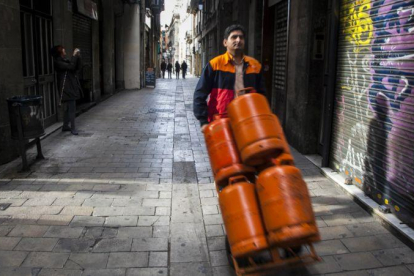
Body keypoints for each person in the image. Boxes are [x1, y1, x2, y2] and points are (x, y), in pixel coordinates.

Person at [193, 24, 265, 131]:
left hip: (248, 122)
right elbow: (200, 93)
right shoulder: (215, 64)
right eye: (234, 37)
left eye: (241, 37)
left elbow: (261, 96)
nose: (238, 40)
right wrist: (203, 121)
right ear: (225, 42)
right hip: (220, 123)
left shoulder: (255, 66)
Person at [51, 45, 83, 135]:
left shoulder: (65, 60)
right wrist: (74, 56)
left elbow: (77, 67)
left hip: (70, 86)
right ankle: (73, 128)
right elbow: (71, 67)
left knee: (68, 108)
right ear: (60, 52)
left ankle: (65, 126)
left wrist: (78, 56)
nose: (65, 50)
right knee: (72, 108)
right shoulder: (58, 62)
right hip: (65, 88)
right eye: (63, 49)